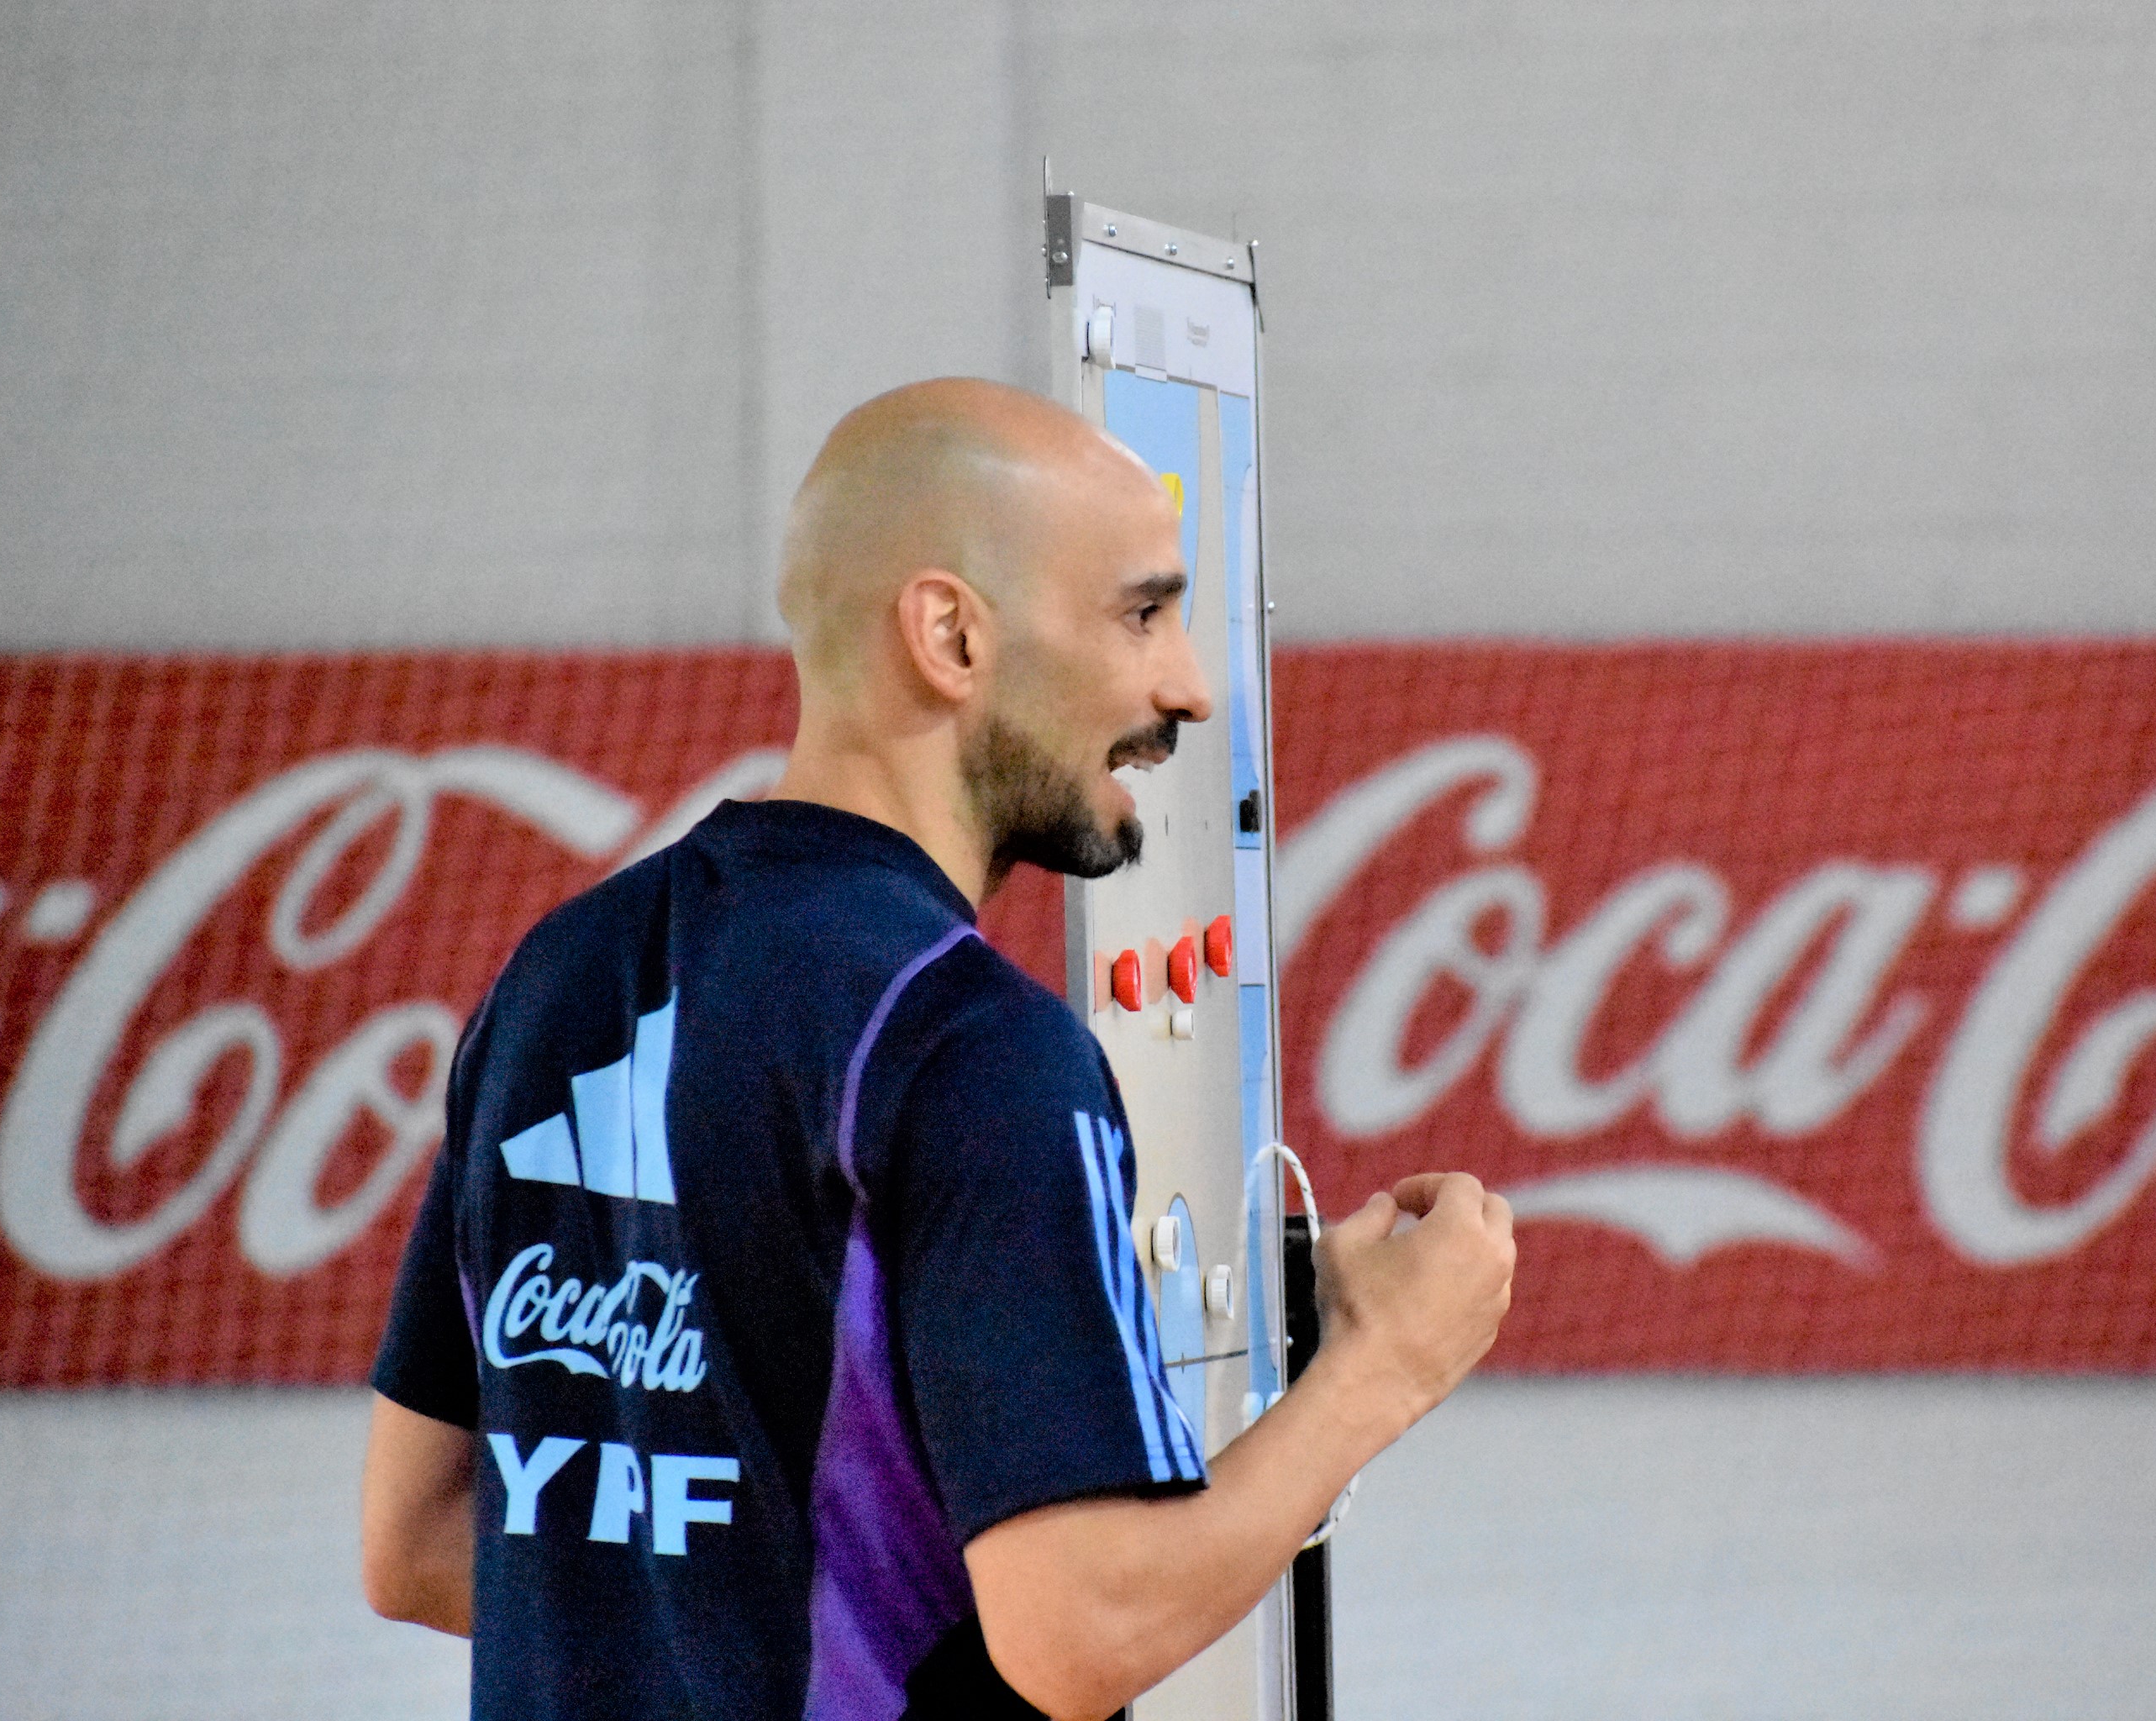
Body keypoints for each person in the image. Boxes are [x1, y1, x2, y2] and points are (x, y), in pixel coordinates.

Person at [360, 377, 1517, 1721]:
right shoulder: (975, 1051)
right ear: (953, 635)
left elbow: (422, 1544)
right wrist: (1385, 1363)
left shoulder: (559, 973)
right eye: (1142, 612)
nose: (1188, 686)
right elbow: (1081, 1630)